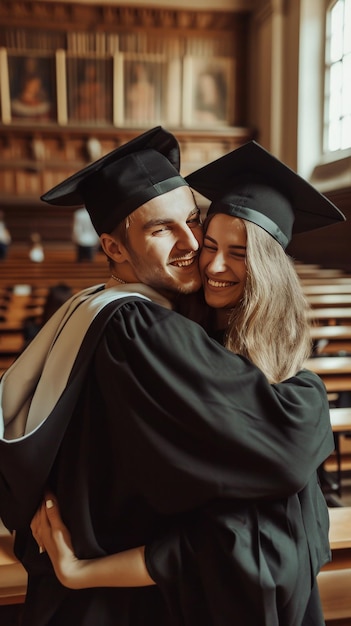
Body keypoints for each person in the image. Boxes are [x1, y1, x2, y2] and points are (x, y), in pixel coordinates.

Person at [0, 131, 344, 626]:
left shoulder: (99, 309)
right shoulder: (139, 329)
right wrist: (310, 390)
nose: (192, 248)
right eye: (161, 230)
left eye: (192, 221)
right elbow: (283, 448)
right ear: (113, 246)